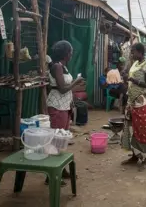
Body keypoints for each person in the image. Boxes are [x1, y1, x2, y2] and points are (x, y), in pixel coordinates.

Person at [47, 40, 84, 185]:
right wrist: (76, 81)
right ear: (65, 53)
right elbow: (62, 88)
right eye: (70, 52)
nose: (72, 54)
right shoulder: (57, 66)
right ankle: (51, 175)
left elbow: (66, 89)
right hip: (56, 106)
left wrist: (73, 92)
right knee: (56, 140)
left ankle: (61, 170)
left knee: (61, 139)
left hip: (64, 106)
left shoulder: (63, 67)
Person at [121, 43, 146, 169]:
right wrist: (126, 78)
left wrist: (133, 80)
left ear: (140, 52)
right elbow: (130, 78)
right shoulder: (134, 64)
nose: (132, 54)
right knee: (131, 129)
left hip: (140, 101)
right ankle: (135, 155)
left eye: (133, 52)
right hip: (131, 101)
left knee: (143, 129)